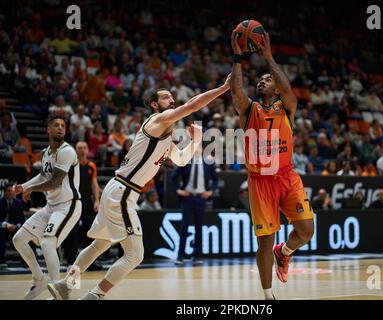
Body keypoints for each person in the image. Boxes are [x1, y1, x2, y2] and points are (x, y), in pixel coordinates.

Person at [47, 76, 230, 300]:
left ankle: (65, 286)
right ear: (154, 104)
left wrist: (196, 141)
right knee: (135, 255)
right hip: (123, 193)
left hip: (118, 190)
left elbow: (181, 160)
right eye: (165, 98)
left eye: (172, 97)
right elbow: (192, 105)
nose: (171, 100)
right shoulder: (157, 122)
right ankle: (95, 295)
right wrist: (223, 88)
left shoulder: (165, 133)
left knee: (100, 244)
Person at [230, 31, 314, 300]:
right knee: (264, 241)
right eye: (260, 80)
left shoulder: (286, 106)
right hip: (261, 181)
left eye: (267, 79)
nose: (262, 82)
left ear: (276, 87)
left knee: (306, 231)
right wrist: (237, 55)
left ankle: (285, 252)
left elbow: (288, 89)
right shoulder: (248, 111)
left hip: (287, 177)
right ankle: (268, 297)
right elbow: (235, 90)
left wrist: (268, 57)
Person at [12, 114, 81, 299]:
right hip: (51, 206)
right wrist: (23, 187)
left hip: (68, 205)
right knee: (18, 239)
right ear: (48, 130)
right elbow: (43, 176)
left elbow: (54, 182)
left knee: (47, 243)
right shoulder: (46, 153)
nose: (60, 128)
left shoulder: (67, 151)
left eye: (63, 126)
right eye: (56, 125)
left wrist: (31, 189)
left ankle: (58, 289)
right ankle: (39, 279)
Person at [171, 145, 219, 265]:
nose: (197, 150)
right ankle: (180, 255)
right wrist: (178, 190)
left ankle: (196, 255)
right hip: (187, 198)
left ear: (202, 150)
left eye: (199, 148)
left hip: (200, 198)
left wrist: (211, 191)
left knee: (199, 227)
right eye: (194, 148)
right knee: (184, 227)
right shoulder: (186, 162)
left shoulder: (208, 163)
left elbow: (216, 179)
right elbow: (173, 177)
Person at [0, 183, 25, 267]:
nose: (11, 193)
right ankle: (2, 261)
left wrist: (16, 226)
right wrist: (6, 224)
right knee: (1, 232)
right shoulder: (0, 202)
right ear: (4, 192)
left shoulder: (18, 203)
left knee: (25, 233)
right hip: (3, 228)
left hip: (15, 228)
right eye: (8, 191)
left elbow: (22, 219)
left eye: (12, 191)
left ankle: (26, 260)